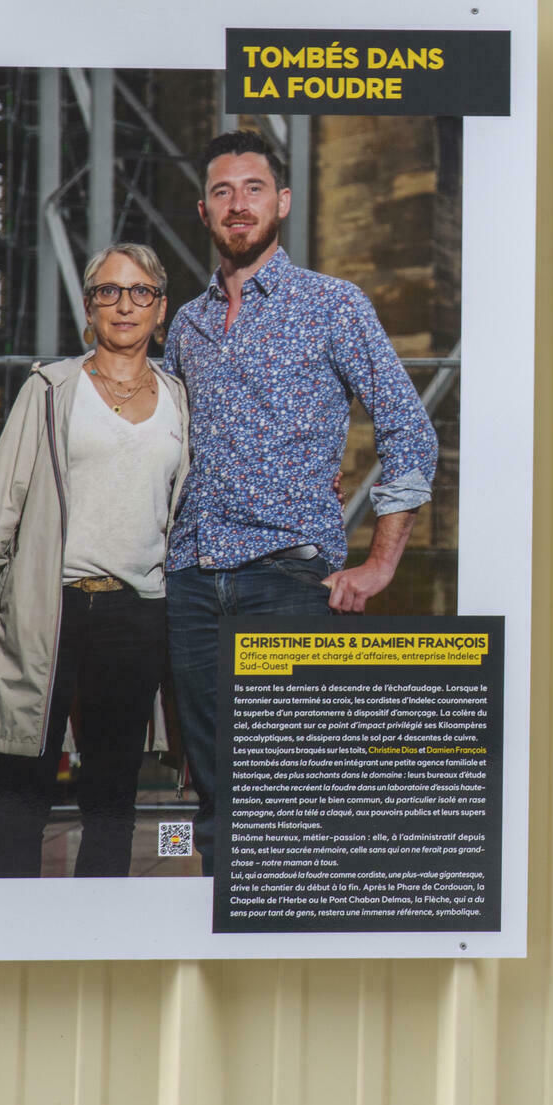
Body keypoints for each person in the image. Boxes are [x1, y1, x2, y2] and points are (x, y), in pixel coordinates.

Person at [162, 129, 439, 872]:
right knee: (216, 801)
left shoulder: (331, 304)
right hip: (192, 580)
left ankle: (299, 957)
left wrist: (381, 562)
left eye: (253, 188)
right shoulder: (184, 326)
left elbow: (409, 429)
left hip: (286, 576)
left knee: (291, 797)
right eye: (222, 192)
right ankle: (226, 952)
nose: (238, 204)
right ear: (204, 210)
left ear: (281, 202)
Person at [0, 244, 191, 877]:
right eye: (108, 291)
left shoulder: (182, 400)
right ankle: (8, 938)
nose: (124, 305)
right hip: (49, 608)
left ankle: (95, 938)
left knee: (112, 798)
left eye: (139, 292)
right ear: (90, 306)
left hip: (138, 614)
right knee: (24, 791)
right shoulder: (50, 389)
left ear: (161, 308)